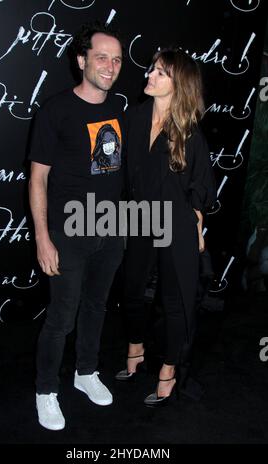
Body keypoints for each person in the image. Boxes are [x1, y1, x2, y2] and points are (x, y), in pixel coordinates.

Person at [28, 21, 124, 430]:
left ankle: (86, 372)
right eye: (102, 57)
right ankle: (45, 391)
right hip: (68, 232)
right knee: (62, 317)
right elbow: (38, 179)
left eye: (117, 59)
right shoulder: (56, 109)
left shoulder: (120, 107)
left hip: (113, 228)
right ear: (82, 60)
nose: (110, 65)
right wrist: (43, 239)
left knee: (97, 307)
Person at [115, 48, 216, 406]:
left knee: (175, 302)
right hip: (139, 220)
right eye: (152, 69)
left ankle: (169, 371)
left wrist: (198, 224)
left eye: (160, 72)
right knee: (131, 290)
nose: (150, 76)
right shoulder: (133, 117)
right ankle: (137, 348)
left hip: (176, 226)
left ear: (178, 84)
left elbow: (201, 185)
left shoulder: (189, 131)